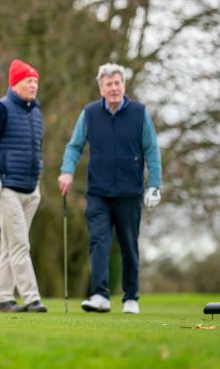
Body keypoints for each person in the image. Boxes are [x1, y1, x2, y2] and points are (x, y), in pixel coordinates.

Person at [57, 63, 161, 314]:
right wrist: (67, 171)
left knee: (128, 246)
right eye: (109, 84)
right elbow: (74, 146)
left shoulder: (139, 113)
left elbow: (152, 150)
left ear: (124, 86)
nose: (114, 88)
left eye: (118, 83)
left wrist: (155, 185)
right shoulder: (90, 114)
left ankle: (130, 298)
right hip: (98, 193)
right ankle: (100, 295)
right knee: (99, 241)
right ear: (101, 88)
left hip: (130, 192)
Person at [0, 59, 48, 313]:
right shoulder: (0, 110)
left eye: (36, 81)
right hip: (4, 188)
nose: (33, 85)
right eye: (28, 81)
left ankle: (4, 298)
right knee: (20, 245)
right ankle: (31, 297)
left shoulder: (36, 113)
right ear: (15, 84)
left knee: (10, 244)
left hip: (30, 189)